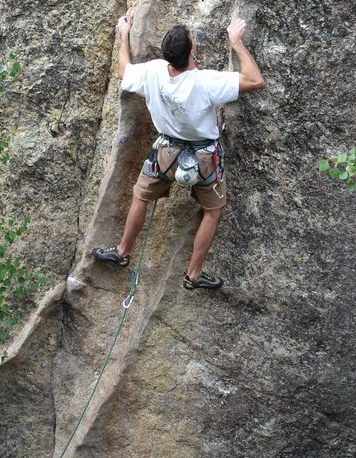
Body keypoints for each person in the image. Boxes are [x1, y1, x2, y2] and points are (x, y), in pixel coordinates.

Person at [92, 15, 263, 290]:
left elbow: (123, 71)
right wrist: (236, 43)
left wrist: (124, 34)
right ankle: (193, 275)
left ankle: (122, 252)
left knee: (140, 196)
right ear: (192, 53)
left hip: (165, 154)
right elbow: (255, 80)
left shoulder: (154, 71)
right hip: (205, 159)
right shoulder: (206, 81)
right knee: (213, 211)